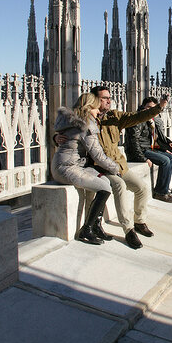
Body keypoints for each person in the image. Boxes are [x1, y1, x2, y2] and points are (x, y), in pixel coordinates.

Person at [90, 86, 169, 249]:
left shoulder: (114, 116)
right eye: (104, 98)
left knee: (142, 188)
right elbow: (69, 132)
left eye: (109, 97)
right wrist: (57, 137)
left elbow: (138, 116)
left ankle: (139, 221)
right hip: (100, 167)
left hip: (119, 165)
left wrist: (159, 107)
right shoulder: (87, 119)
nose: (108, 100)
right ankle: (128, 230)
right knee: (119, 187)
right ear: (95, 100)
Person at [51, 93, 119, 245]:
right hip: (67, 167)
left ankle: (95, 225)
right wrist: (116, 168)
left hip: (69, 164)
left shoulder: (74, 120)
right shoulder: (85, 125)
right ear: (90, 108)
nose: (98, 111)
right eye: (96, 108)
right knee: (104, 188)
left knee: (104, 180)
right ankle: (86, 230)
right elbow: (97, 155)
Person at [125, 98, 172, 202]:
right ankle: (160, 192)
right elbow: (133, 142)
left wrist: (164, 149)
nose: (150, 110)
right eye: (148, 107)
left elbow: (155, 138)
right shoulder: (138, 119)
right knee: (165, 161)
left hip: (147, 148)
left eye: (153, 108)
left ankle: (165, 189)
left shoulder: (149, 119)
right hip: (139, 152)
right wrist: (143, 158)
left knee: (170, 156)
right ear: (143, 107)